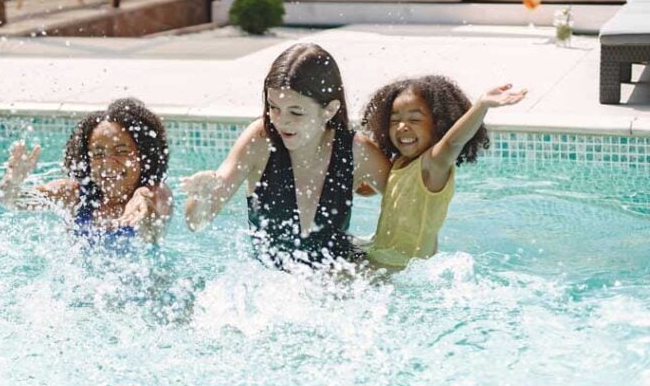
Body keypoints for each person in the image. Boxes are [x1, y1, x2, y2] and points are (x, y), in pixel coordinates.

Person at [181, 43, 389, 268]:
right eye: (274, 107)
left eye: (296, 112)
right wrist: (203, 195)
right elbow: (196, 223)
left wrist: (377, 263)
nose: (281, 120)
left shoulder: (357, 151)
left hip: (337, 285)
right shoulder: (260, 142)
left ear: (329, 110)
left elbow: (411, 208)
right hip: (273, 289)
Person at [361, 76, 527, 268]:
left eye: (414, 119)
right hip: (380, 257)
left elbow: (452, 143)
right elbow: (370, 191)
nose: (402, 126)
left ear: (439, 124)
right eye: (394, 120)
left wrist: (482, 105)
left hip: (401, 270)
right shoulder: (399, 163)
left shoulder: (432, 167)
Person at [0, 97, 172, 243]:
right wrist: (13, 180)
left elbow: (152, 218)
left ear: (144, 156)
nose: (108, 164)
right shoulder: (75, 194)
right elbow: (12, 201)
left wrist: (144, 207)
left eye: (121, 151)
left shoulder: (155, 192)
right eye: (98, 154)